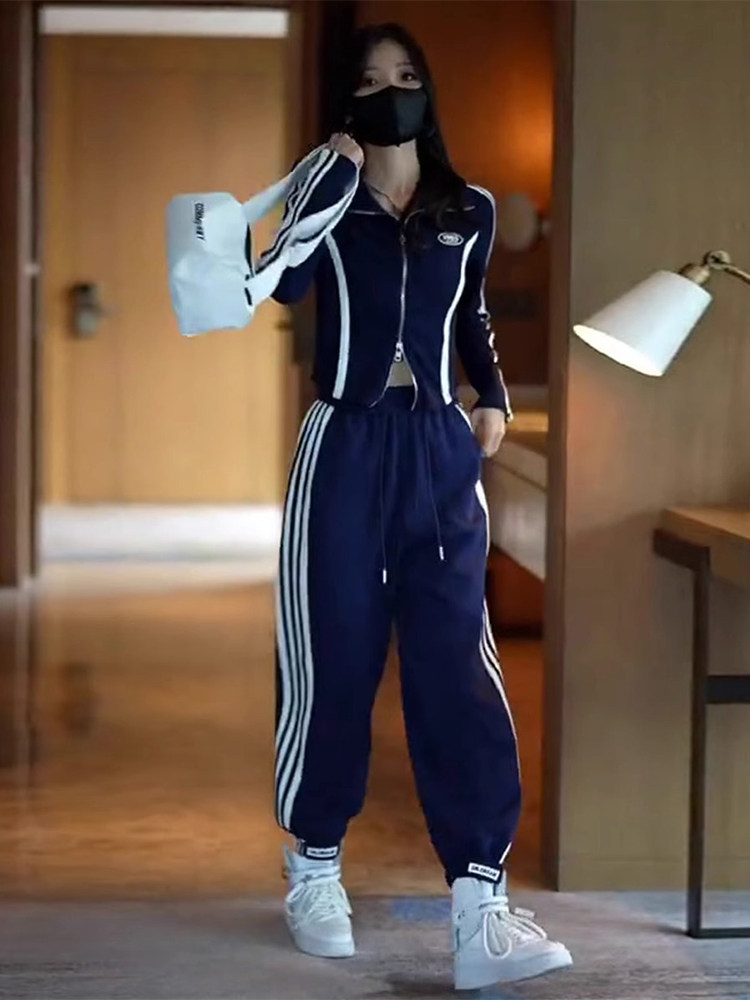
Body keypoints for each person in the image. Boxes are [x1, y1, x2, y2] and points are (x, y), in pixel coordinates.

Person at [271, 22, 572, 990]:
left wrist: (495, 396)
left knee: (456, 664)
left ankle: (481, 904)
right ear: (348, 98)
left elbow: (471, 308)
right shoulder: (329, 196)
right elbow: (285, 284)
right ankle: (315, 865)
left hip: (439, 446)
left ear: (427, 91)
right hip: (344, 445)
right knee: (335, 655)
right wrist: (325, 181)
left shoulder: (468, 207)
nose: (390, 90)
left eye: (404, 76)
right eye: (370, 79)